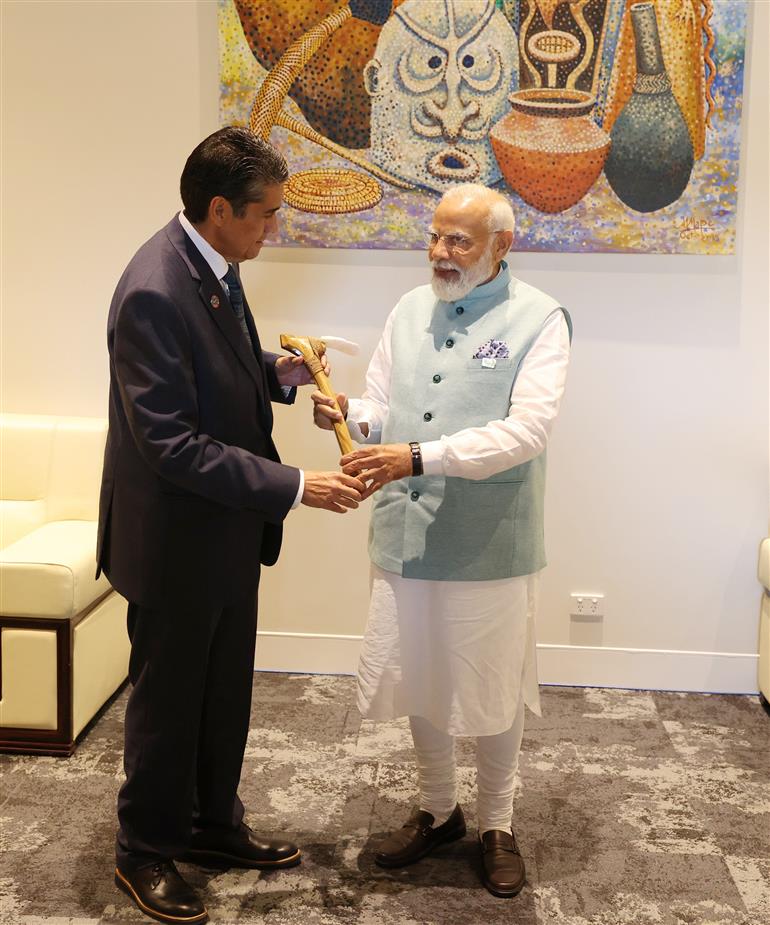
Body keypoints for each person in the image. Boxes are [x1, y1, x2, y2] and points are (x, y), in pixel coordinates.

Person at [97, 126, 365, 925]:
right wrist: (294, 487)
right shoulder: (152, 288)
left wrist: (279, 376)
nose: (273, 228)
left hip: (223, 532)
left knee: (221, 695)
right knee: (169, 701)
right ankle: (144, 849)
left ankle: (212, 825)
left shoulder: (212, 263)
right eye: (266, 215)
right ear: (220, 209)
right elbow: (171, 441)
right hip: (175, 539)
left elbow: (220, 362)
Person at [312, 183, 571, 899]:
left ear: (501, 246)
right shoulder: (407, 308)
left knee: (490, 686)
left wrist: (416, 455)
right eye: (435, 236)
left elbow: (526, 433)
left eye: (459, 240)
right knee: (419, 671)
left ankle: (497, 822)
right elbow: (385, 408)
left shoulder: (540, 319)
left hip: (488, 541)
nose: (440, 252)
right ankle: (438, 808)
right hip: (404, 532)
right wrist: (351, 416)